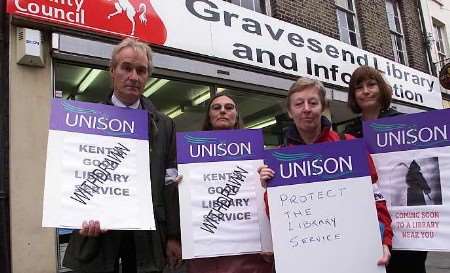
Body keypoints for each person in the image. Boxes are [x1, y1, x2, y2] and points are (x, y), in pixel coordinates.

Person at [63, 38, 181, 273]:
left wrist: (173, 235)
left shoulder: (165, 125)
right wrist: (78, 217)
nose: (134, 76)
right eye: (126, 68)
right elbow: (71, 174)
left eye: (141, 70)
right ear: (112, 71)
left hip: (147, 236)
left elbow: (170, 184)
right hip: (98, 234)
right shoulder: (85, 120)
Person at [258, 77, 393, 267]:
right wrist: (269, 189)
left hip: (354, 258)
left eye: (313, 102)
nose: (306, 108)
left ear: (322, 107)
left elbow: (376, 199)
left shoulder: (349, 145)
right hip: (305, 260)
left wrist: (385, 241)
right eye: (299, 103)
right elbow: (278, 218)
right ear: (290, 111)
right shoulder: (279, 161)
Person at [344, 65, 428, 273]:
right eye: (359, 87)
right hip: (371, 218)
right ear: (354, 95)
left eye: (371, 84)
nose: (366, 90)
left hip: (405, 216)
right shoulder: (349, 132)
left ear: (381, 88)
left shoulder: (402, 123)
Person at [186, 92, 274, 273]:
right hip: (207, 253)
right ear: (209, 117)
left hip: (249, 253)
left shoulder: (258, 153)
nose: (223, 111)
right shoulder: (190, 155)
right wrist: (180, 183)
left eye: (229, 107)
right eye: (216, 108)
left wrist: (268, 183)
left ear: (236, 115)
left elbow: (270, 202)